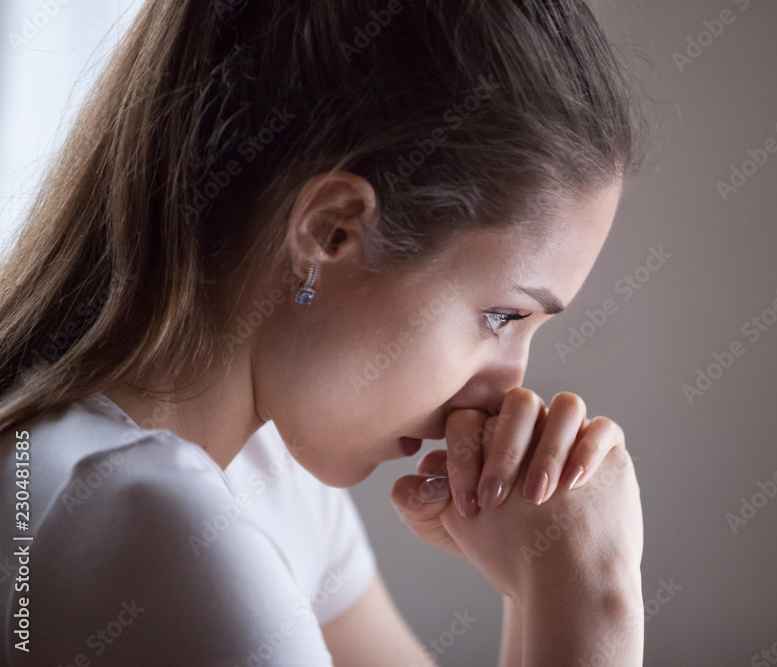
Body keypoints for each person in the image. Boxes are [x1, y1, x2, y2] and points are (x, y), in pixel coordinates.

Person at [0, 0, 647, 663]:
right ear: (330, 231)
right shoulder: (162, 534)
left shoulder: (269, 477)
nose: (507, 393)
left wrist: (536, 576)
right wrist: (595, 597)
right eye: (502, 317)